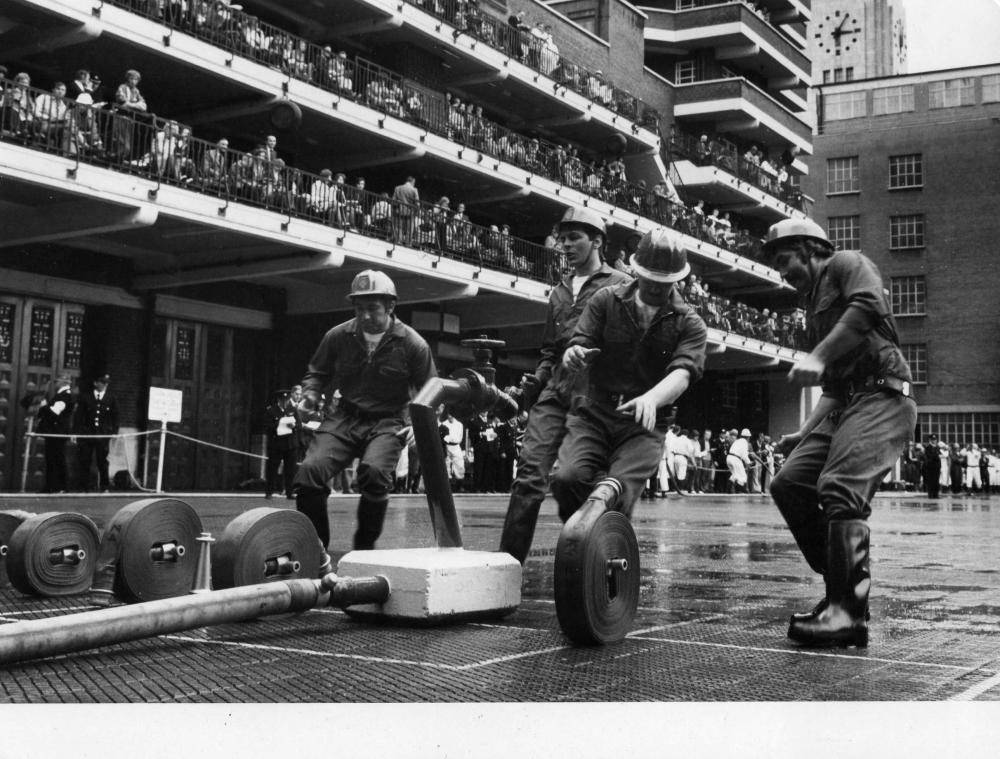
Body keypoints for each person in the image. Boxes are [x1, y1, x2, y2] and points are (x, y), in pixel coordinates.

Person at [763, 217, 916, 648]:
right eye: (776, 265)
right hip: (845, 404)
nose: (783, 272)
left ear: (812, 248)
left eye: (786, 259)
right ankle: (840, 596)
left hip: (883, 396)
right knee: (789, 483)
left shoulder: (847, 262)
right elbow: (831, 387)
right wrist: (802, 431)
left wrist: (818, 353)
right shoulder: (813, 305)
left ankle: (847, 617)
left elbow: (867, 308)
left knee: (839, 488)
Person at [498, 207, 631, 563]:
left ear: (598, 241)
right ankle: (506, 568)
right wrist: (535, 381)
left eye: (575, 238)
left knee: (572, 480)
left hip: (595, 399)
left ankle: (587, 550)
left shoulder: (621, 284)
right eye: (563, 238)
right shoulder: (558, 292)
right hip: (554, 395)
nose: (566, 245)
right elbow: (548, 350)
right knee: (527, 479)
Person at [549, 228, 708, 524]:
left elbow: (683, 373)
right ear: (637, 270)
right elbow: (579, 341)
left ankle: (606, 550)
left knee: (616, 492)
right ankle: (585, 543)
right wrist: (574, 354)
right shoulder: (605, 300)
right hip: (594, 413)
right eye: (651, 278)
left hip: (645, 424)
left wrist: (651, 398)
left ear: (677, 279)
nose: (657, 288)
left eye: (666, 282)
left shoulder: (690, 323)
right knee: (566, 480)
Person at [293, 271, 437, 570]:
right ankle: (317, 552)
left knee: (372, 474)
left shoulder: (413, 344)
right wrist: (309, 395)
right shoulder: (338, 335)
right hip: (345, 416)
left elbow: (431, 390)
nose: (365, 315)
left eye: (373, 308)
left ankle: (363, 551)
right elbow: (316, 372)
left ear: (390, 307)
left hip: (388, 420)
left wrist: (418, 425)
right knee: (309, 472)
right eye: (359, 309)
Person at [74, 373, 120, 492]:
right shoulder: (86, 397)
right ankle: (84, 486)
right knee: (85, 460)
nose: (104, 385)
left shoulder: (111, 398)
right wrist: (76, 432)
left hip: (102, 435)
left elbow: (115, 417)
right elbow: (79, 416)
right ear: (95, 383)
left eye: (106, 383)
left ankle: (105, 486)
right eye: (102, 383)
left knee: (102, 461)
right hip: (87, 434)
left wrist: (114, 432)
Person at [36, 374, 75, 493]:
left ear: (63, 382)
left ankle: (59, 486)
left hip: (57, 432)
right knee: (53, 459)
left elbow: (54, 413)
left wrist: (43, 406)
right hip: (54, 431)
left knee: (57, 459)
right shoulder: (61, 395)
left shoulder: (64, 396)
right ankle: (52, 486)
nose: (55, 383)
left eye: (57, 381)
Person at [263, 388, 300, 499]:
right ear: (279, 400)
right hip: (277, 444)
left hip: (290, 444)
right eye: (283, 400)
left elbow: (299, 424)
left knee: (290, 469)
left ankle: (290, 492)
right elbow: (268, 426)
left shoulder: (292, 410)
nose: (285, 402)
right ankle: (269, 491)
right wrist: (279, 424)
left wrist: (294, 426)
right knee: (272, 469)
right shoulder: (271, 411)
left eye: (287, 400)